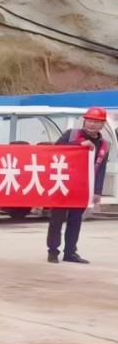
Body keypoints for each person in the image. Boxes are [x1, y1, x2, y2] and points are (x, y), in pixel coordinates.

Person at [47, 106, 110, 264]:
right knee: (56, 220)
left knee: (75, 221)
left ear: (103, 124)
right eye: (89, 120)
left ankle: (70, 253)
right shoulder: (71, 134)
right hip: (62, 184)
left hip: (82, 188)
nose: (92, 124)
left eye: (96, 121)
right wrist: (78, 144)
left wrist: (97, 191)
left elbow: (101, 168)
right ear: (84, 121)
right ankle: (53, 252)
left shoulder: (104, 145)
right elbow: (53, 151)